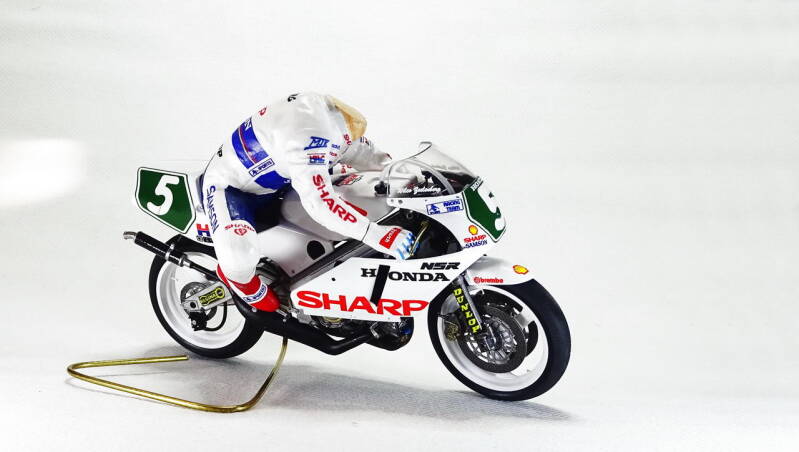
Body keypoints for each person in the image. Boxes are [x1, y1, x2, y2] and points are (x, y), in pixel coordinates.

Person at [201, 92, 415, 312]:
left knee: (350, 185)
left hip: (280, 177)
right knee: (239, 256)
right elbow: (319, 203)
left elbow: (363, 152)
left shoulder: (327, 118)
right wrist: (374, 234)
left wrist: (408, 176)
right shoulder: (307, 141)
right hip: (231, 188)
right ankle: (241, 283)